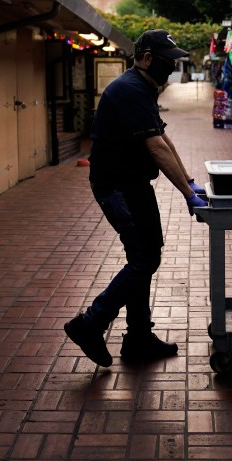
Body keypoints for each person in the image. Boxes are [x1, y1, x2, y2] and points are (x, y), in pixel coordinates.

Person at [64, 29, 208, 367]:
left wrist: (189, 182)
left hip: (133, 184)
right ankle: (91, 323)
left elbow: (162, 137)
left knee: (146, 256)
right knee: (144, 259)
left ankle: (138, 337)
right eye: (167, 62)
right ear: (145, 58)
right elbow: (155, 147)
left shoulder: (143, 87)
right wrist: (187, 195)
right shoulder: (129, 89)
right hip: (115, 187)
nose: (171, 68)